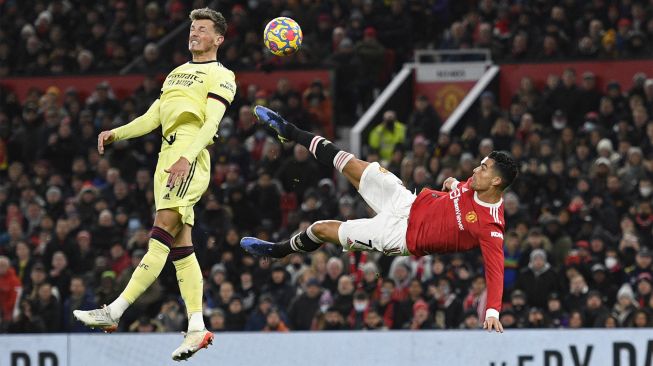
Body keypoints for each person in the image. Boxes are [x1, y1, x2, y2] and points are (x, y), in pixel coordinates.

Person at [241, 106, 518, 333]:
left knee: (320, 229)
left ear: (496, 180)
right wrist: (453, 183)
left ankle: (278, 251)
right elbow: (460, 190)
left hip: (399, 235)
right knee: (348, 161)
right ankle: (287, 129)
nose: (475, 170)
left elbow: (496, 271)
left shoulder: (491, 227)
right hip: (406, 201)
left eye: (483, 168)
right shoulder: (475, 184)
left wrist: (493, 310)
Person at [73, 7, 236, 361]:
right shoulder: (177, 73)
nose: (194, 33)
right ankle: (196, 327)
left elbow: (211, 125)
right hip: (168, 154)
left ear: (218, 39)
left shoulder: (222, 75)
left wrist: (187, 156)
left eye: (203, 29)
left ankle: (115, 310)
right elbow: (153, 117)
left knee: (161, 231)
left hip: (188, 153)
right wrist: (117, 133)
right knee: (181, 247)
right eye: (192, 27)